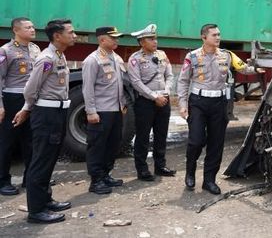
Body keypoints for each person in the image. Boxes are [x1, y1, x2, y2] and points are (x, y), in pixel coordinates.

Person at [176, 24, 261, 194]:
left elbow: (243, 67)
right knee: (196, 141)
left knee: (216, 143)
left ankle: (209, 180)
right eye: (214, 35)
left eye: (219, 34)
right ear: (203, 37)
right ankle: (190, 173)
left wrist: (257, 69)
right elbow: (183, 81)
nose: (218, 37)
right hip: (198, 102)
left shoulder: (227, 55)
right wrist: (183, 104)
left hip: (219, 103)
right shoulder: (192, 56)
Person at [14, 19, 76, 224]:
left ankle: (45, 199)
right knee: (40, 161)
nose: (74, 36)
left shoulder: (59, 55)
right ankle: (36, 210)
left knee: (50, 159)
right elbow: (30, 90)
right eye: (71, 32)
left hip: (58, 112)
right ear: (57, 36)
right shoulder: (46, 58)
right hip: (46, 115)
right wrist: (27, 109)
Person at [127, 24, 176, 181]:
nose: (155, 41)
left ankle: (160, 166)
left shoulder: (162, 54)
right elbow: (136, 82)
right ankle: (142, 170)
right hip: (146, 103)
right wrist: (154, 97)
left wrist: (166, 92)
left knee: (161, 135)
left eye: (155, 38)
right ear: (142, 42)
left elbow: (170, 76)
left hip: (164, 99)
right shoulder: (135, 59)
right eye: (151, 39)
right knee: (142, 136)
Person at [82, 26, 126, 195]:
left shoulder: (116, 58)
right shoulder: (92, 60)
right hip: (101, 111)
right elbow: (88, 88)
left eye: (117, 37)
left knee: (113, 144)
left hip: (116, 110)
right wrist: (91, 111)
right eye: (113, 38)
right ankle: (96, 180)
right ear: (102, 40)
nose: (117, 41)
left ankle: (106, 174)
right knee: (97, 145)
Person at [0, 17, 40, 196]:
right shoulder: (6, 51)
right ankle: (2, 180)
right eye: (28, 27)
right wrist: (0, 105)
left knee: (31, 140)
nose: (32, 30)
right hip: (12, 99)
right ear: (16, 30)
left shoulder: (35, 48)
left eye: (32, 27)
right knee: (7, 141)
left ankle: (30, 178)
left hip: (30, 99)